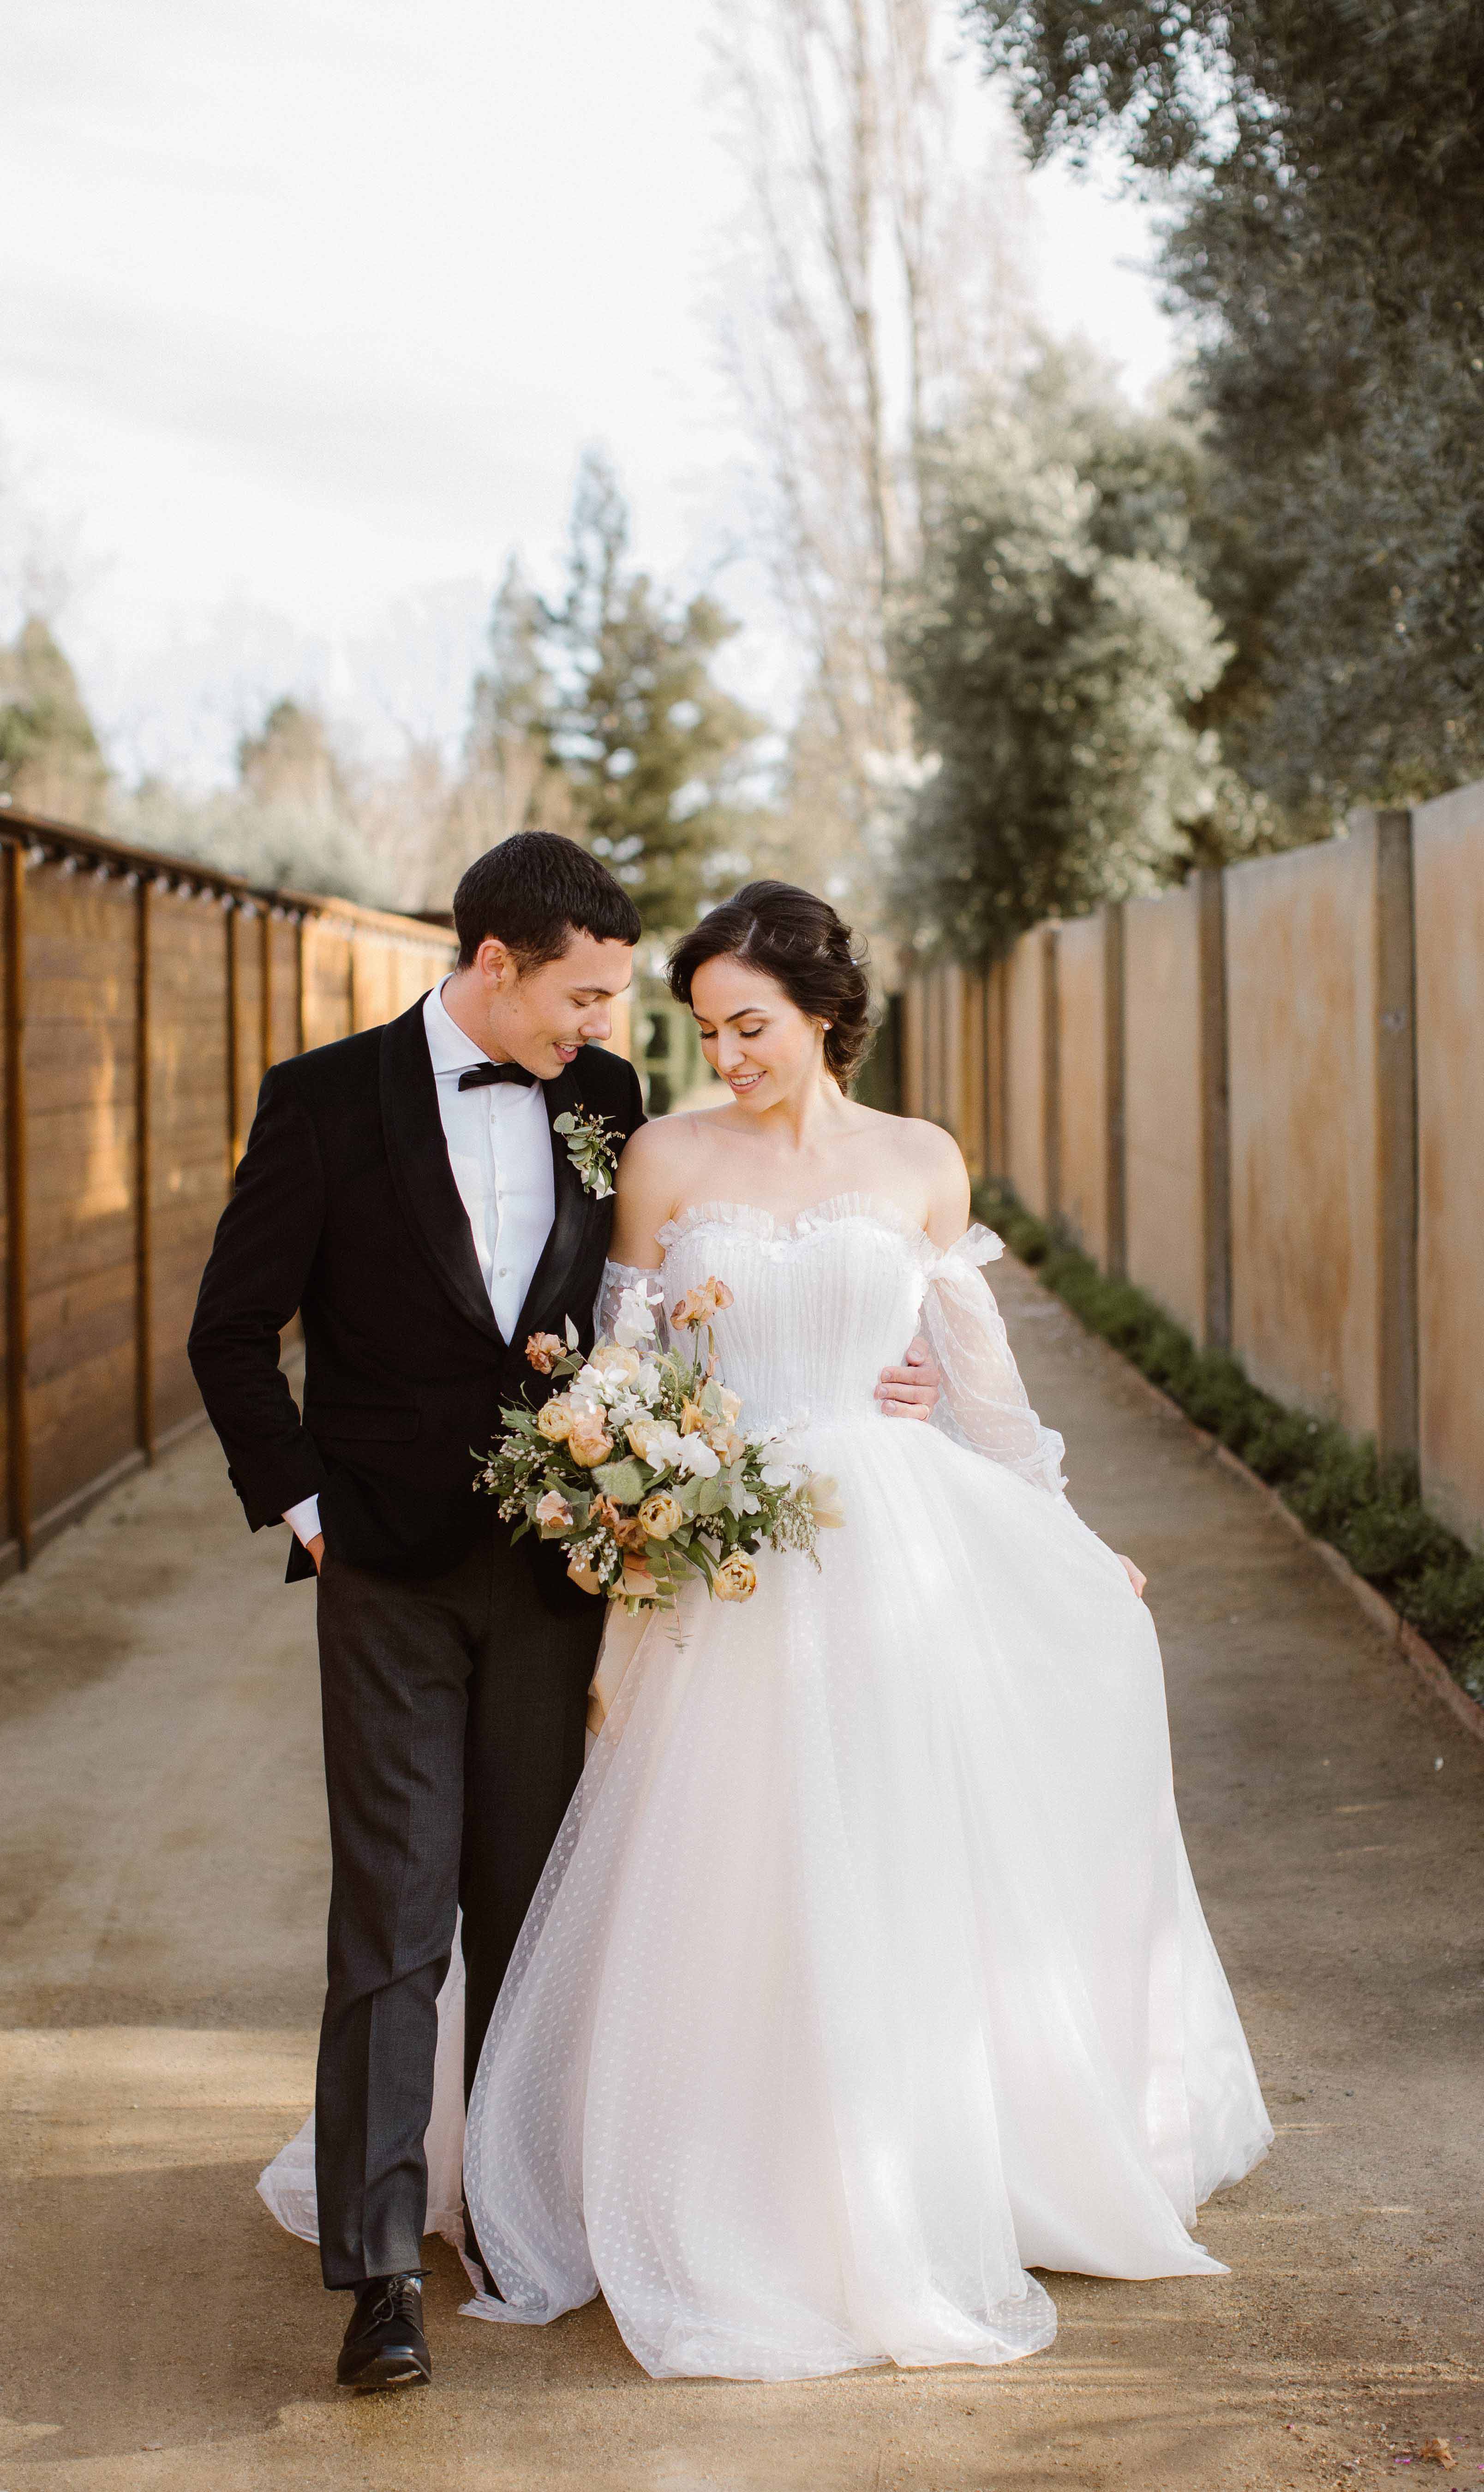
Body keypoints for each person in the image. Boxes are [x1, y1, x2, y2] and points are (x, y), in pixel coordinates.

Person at [457, 879, 1274, 2383]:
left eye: (751, 1025)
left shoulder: (923, 1161)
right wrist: (636, 1489)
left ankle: (905, 2175)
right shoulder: (661, 1154)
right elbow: (625, 1371)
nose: (730, 1058)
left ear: (824, 1012)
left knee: (894, 1864)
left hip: (892, 1551)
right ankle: (718, 2184)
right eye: (705, 1031)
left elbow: (977, 1383)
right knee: (721, 1873)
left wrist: (1070, 1531)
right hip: (722, 1560)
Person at [189, 839, 946, 2394]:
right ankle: (380, 2273)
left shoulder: (607, 1108)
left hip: (566, 1578)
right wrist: (314, 1520)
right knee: (394, 1923)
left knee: (536, 1912)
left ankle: (522, 2210)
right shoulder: (323, 1100)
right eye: (586, 993)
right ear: (493, 962)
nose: (607, 1026)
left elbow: (664, 1330)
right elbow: (226, 1334)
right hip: (386, 1573)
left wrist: (873, 1380)